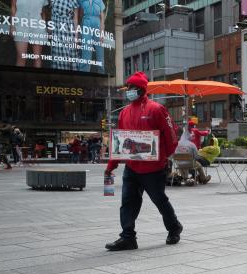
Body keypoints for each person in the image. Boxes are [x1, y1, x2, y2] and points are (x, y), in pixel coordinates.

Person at [104, 71, 182, 251]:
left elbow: (171, 137)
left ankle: (174, 228)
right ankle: (128, 237)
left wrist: (163, 157)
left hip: (153, 168)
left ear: (140, 89)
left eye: (131, 87)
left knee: (160, 200)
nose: (128, 90)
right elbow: (120, 141)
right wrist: (111, 166)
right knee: (128, 202)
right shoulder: (124, 113)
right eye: (128, 87)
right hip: (131, 168)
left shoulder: (157, 109)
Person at [11, 0, 47, 68]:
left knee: (37, 57)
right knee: (21, 57)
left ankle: (37, 78)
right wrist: (12, 26)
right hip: (20, 24)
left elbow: (43, 12)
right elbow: (13, 7)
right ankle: (18, 78)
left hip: (37, 25)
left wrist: (43, 26)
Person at [49, 0, 80, 71]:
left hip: (67, 32)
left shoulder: (73, 1)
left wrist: (76, 36)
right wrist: (50, 30)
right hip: (56, 31)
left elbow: (76, 19)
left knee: (68, 56)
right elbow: (51, 14)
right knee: (56, 56)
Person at [78, 0, 106, 73]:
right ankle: (84, 73)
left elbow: (102, 18)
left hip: (97, 25)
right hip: (86, 23)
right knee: (86, 50)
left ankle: (101, 73)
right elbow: (80, 14)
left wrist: (102, 33)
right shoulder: (82, 1)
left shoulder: (99, 1)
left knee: (100, 52)